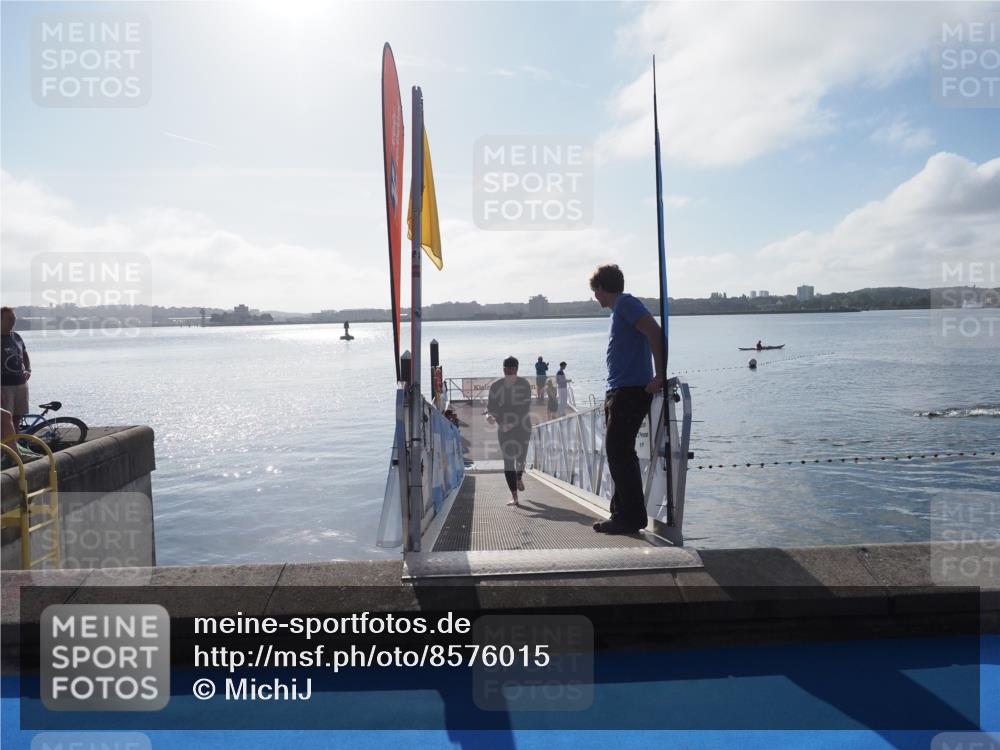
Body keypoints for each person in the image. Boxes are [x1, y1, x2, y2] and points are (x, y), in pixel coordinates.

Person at [589, 264, 664, 534]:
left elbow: (655, 332)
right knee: (619, 452)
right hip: (620, 389)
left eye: (595, 291)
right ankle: (622, 513)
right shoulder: (619, 309)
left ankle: (631, 518)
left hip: (631, 390)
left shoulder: (625, 304)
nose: (595, 297)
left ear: (601, 288)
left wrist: (660, 375)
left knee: (619, 451)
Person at [487, 355, 533, 507]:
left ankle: (519, 477)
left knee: (520, 457)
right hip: (504, 427)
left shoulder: (524, 384)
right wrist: (491, 417)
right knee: (508, 461)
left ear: (517, 369)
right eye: (507, 370)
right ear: (503, 369)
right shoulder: (496, 386)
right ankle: (514, 496)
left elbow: (525, 409)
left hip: (522, 426)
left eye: (513, 370)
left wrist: (511, 425)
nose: (510, 373)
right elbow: (491, 408)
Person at [1, 306, 31, 431]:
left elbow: (24, 353)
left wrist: (28, 369)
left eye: (14, 318)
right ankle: (5, 448)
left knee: (18, 417)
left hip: (20, 384)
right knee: (5, 419)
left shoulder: (17, 337)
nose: (13, 322)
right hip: (4, 386)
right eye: (9, 319)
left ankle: (15, 445)